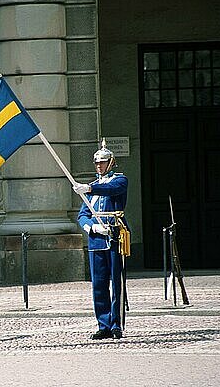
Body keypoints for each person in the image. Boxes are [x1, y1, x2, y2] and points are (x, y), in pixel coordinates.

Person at [73, 139, 129, 340]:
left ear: (111, 162)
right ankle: (103, 324)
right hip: (97, 239)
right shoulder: (93, 186)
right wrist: (92, 226)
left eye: (103, 162)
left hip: (115, 236)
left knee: (116, 283)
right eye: (97, 163)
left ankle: (116, 324)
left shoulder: (119, 180)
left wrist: (88, 188)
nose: (99, 166)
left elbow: (112, 190)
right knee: (98, 284)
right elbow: (82, 215)